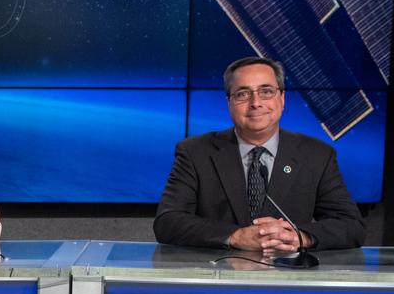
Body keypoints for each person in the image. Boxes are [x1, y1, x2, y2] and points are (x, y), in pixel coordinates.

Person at [154, 56, 364, 251]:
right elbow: (167, 222)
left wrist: (300, 237)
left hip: (288, 278)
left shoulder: (317, 155)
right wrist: (235, 236)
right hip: (217, 277)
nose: (256, 102)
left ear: (282, 99)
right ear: (229, 103)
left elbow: (351, 226)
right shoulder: (195, 152)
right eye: (243, 94)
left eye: (266, 91)